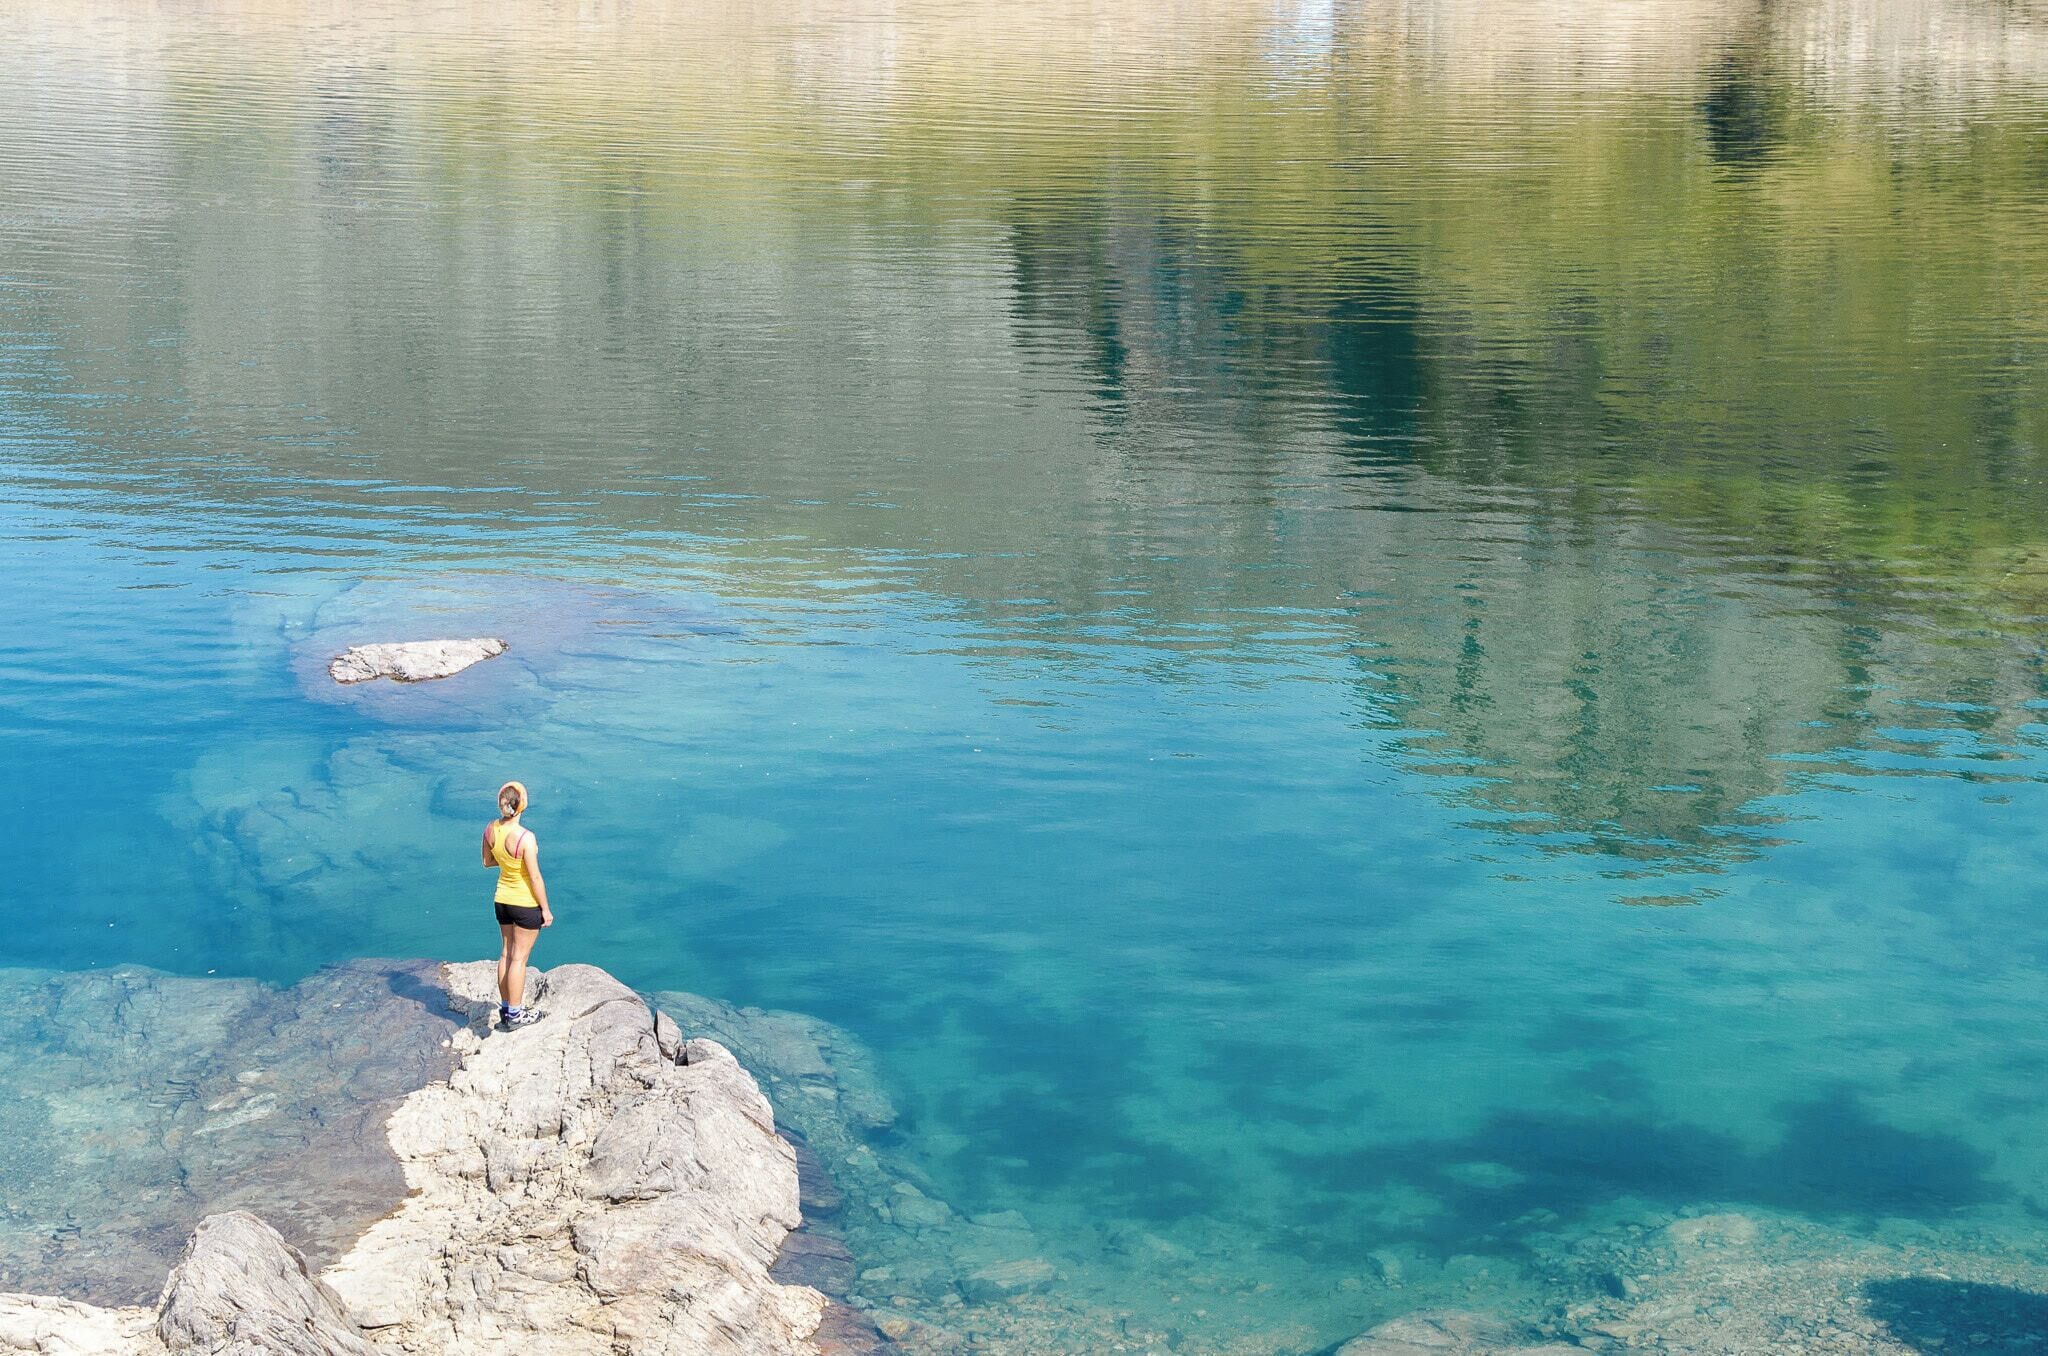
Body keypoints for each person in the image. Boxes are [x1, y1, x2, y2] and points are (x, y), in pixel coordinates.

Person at [483, 779, 552, 1028]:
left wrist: (506, 862)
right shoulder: (525, 838)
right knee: (519, 959)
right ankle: (515, 1014)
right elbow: (534, 876)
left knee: (505, 953)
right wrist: (545, 909)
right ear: (521, 805)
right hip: (524, 903)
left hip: (501, 900)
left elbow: (487, 862)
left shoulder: (490, 829)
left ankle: (505, 1008)